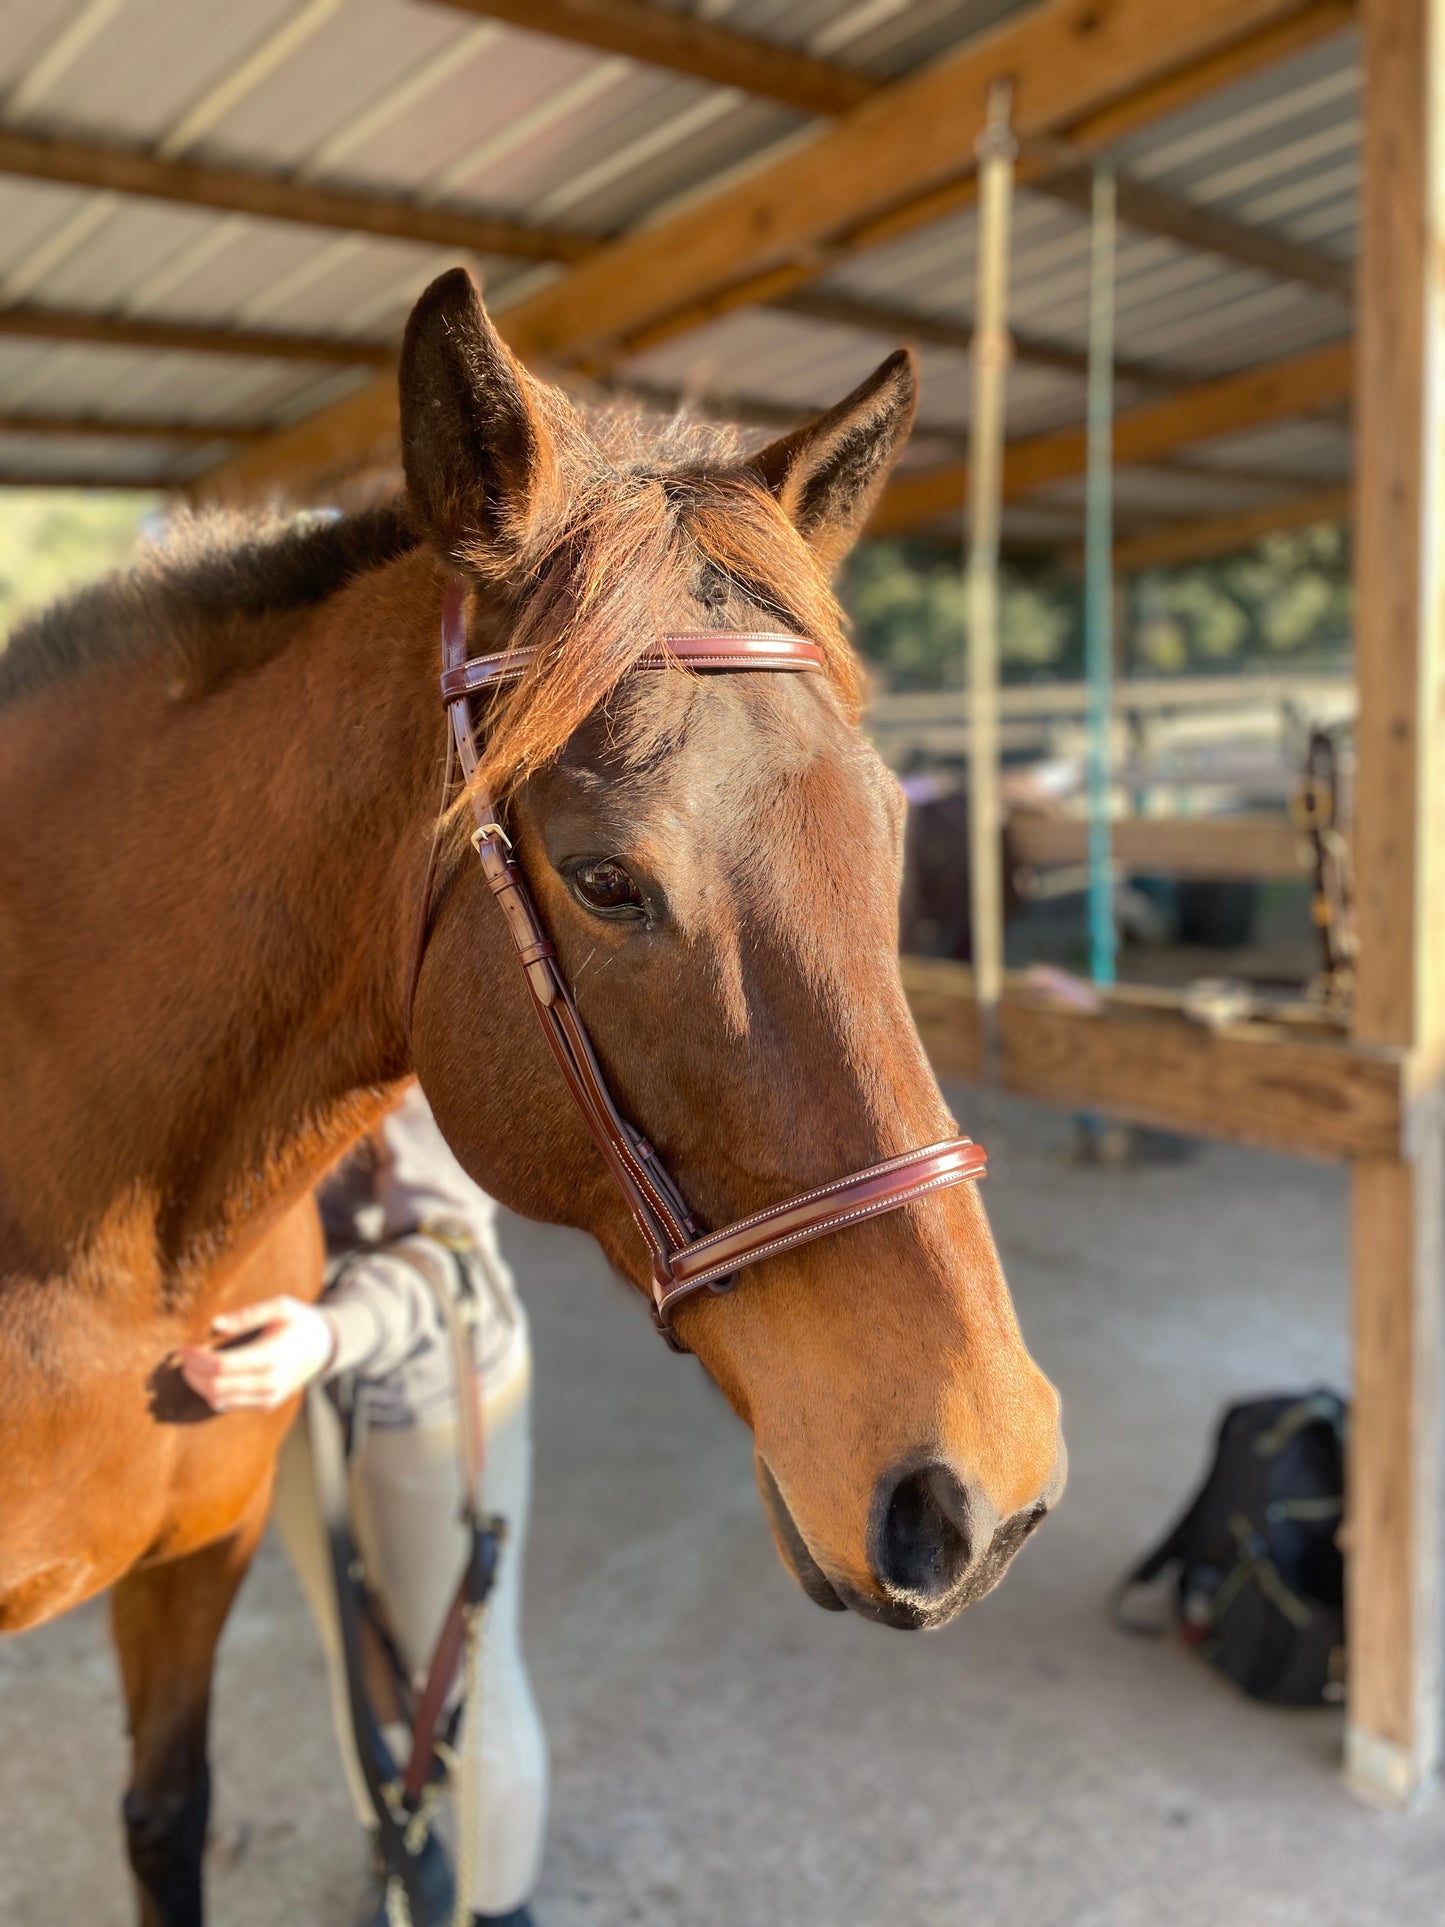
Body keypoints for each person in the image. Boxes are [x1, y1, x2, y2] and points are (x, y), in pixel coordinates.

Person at [180, 1086, 547, 1927]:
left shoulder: (397, 997)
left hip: (428, 1378)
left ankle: (496, 1912)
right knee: (358, 1662)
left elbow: (449, 1244)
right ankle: (401, 1861)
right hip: (293, 1388)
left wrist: (327, 1333)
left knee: (466, 1679)